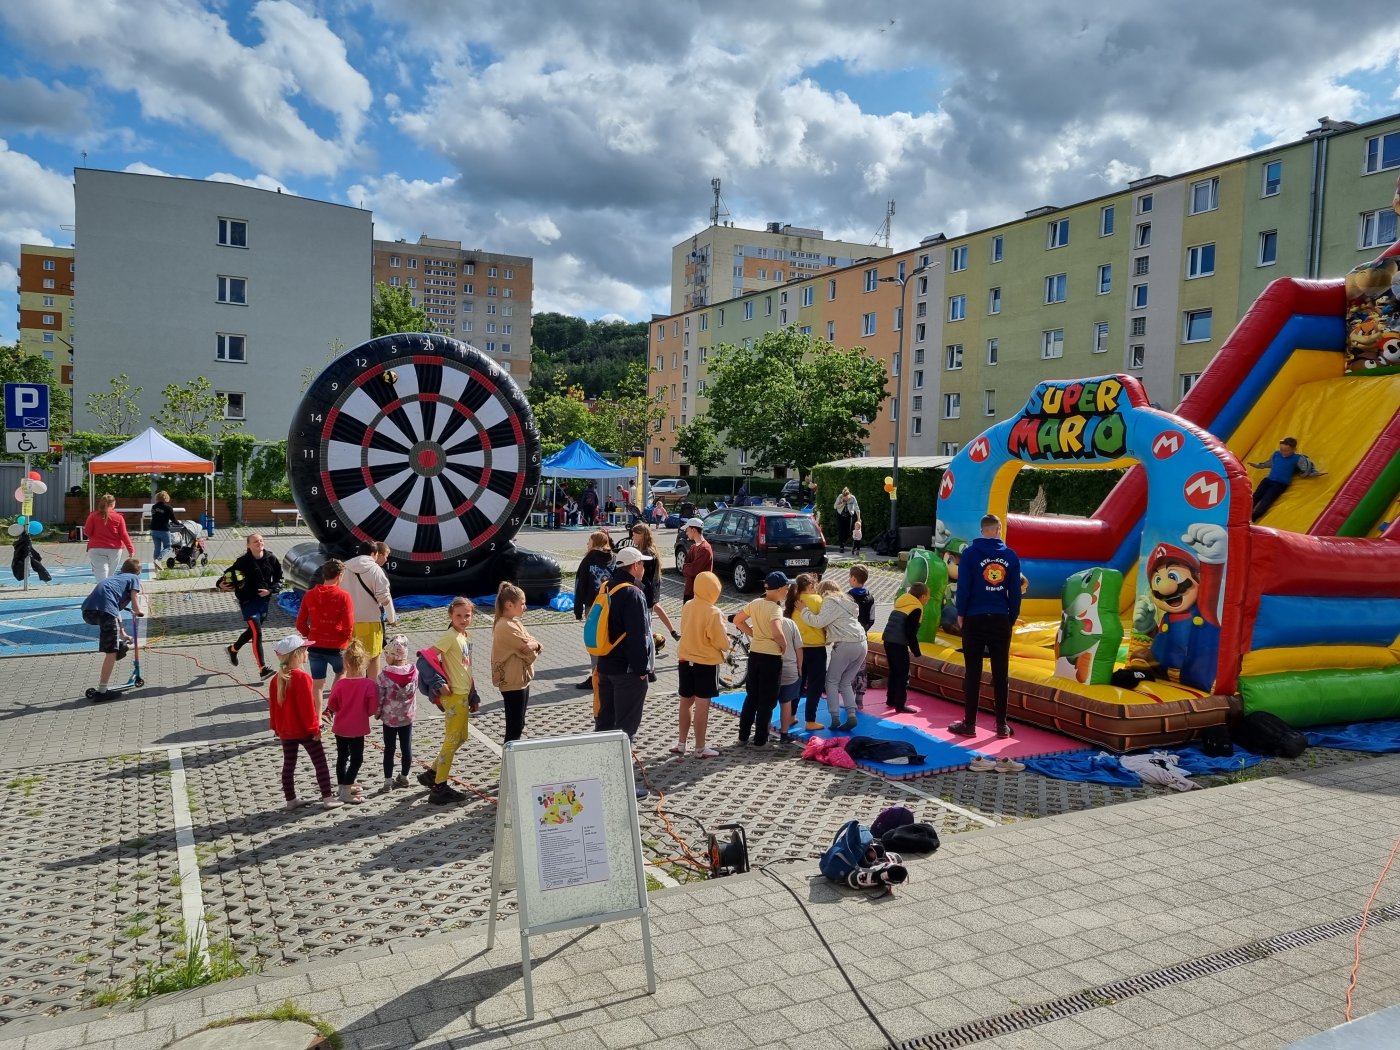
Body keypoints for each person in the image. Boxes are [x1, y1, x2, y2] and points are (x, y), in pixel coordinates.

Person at [950, 514, 1022, 738]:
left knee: (973, 672)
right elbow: (1016, 592)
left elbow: (963, 588)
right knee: (1001, 674)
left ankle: (969, 724)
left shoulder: (970, 554)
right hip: (1000, 617)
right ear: (999, 530)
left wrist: (961, 613)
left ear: (982, 531)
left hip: (975, 617)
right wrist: (1011, 616)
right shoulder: (1010, 556)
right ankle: (1001, 725)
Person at [594, 546, 656, 797]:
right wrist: (642, 670)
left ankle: (598, 778)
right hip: (627, 672)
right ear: (635, 566)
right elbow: (638, 635)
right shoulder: (633, 593)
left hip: (605, 664)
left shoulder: (607, 586)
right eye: (642, 564)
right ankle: (621, 787)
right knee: (624, 730)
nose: (644, 568)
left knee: (605, 724)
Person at [418, 597, 480, 804]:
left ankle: (432, 773)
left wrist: (473, 694)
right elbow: (424, 657)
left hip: (463, 695)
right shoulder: (450, 636)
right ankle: (439, 788)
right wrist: (437, 682)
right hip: (453, 697)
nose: (463, 619)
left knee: (462, 738)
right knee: (451, 741)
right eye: (458, 616)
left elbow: (466, 668)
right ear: (450, 616)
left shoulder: (466, 636)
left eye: (467, 615)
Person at [268, 633, 341, 810]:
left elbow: (274, 708)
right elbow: (307, 707)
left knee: (288, 765)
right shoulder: (302, 678)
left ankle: (290, 800)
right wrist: (315, 728)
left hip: (286, 731)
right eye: (306, 650)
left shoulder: (275, 680)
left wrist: (276, 728)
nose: (308, 652)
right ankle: (327, 798)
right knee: (320, 763)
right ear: (297, 654)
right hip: (305, 731)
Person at [673, 569, 730, 758]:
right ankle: (700, 747)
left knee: (685, 702)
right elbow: (720, 641)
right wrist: (728, 645)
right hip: (705, 663)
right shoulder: (714, 612)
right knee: (702, 705)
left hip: (685, 659)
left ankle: (681, 743)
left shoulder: (688, 605)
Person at [800, 579, 866, 731]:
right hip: (862, 643)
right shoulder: (847, 602)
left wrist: (804, 610)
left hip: (845, 644)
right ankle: (851, 715)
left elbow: (818, 622)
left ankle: (835, 718)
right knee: (846, 681)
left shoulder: (830, 601)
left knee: (831, 681)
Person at [734, 571, 789, 747]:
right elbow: (777, 631)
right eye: (786, 588)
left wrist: (754, 634)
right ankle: (760, 740)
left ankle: (742, 736)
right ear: (780, 589)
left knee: (752, 696)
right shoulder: (776, 609)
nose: (787, 591)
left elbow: (737, 620)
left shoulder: (756, 603)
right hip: (771, 657)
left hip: (755, 655)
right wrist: (783, 646)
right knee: (767, 700)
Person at [294, 558, 355, 718]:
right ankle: (331, 709)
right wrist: (347, 639)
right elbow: (349, 625)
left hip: (315, 644)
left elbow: (300, 622)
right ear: (339, 575)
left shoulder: (310, 595)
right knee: (341, 672)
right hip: (337, 645)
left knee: (318, 683)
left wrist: (309, 634)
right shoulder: (344, 597)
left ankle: (317, 718)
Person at [218, 532, 283, 679]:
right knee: (257, 633)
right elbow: (228, 575)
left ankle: (233, 649)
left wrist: (271, 590)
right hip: (247, 601)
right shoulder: (243, 561)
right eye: (255, 542)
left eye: (261, 540)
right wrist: (220, 584)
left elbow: (279, 578)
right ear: (248, 545)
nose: (259, 543)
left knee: (252, 631)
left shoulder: (271, 558)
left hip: (264, 601)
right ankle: (262, 669)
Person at [80, 556, 143, 702]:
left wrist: (122, 633)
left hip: (88, 612)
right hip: (105, 611)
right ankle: (102, 691)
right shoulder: (133, 578)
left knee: (113, 642)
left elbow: (115, 610)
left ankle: (117, 645)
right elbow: (134, 599)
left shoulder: (115, 579)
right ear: (138, 572)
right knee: (112, 651)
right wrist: (138, 610)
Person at [326, 639, 377, 805]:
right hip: (357, 728)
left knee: (342, 757)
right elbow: (372, 708)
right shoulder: (369, 684)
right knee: (357, 759)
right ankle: (346, 790)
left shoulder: (340, 684)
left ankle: (343, 785)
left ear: (346, 664)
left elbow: (332, 705)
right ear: (364, 664)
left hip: (340, 727)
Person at [491, 581, 542, 743]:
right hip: (512, 682)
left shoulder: (515, 622)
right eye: (522, 603)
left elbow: (533, 644)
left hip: (521, 680)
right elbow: (527, 653)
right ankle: (508, 764)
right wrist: (535, 645)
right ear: (509, 604)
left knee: (519, 724)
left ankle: (511, 763)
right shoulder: (506, 626)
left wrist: (536, 644)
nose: (525, 607)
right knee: (514, 729)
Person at [343, 541, 399, 679]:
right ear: (374, 554)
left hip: (348, 621)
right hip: (370, 621)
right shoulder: (375, 569)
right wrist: (392, 618)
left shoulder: (345, 567)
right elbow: (384, 598)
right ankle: (372, 688)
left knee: (353, 658)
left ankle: (353, 686)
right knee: (373, 657)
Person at [574, 530, 616, 689]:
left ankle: (596, 677)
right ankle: (609, 676)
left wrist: (577, 609)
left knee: (594, 641)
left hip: (593, 606)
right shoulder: (614, 558)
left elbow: (580, 586)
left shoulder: (588, 560)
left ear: (595, 543)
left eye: (589, 541)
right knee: (609, 640)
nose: (587, 544)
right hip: (611, 605)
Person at [375, 635, 417, 791]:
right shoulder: (414, 672)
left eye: (387, 655)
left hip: (390, 719)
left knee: (389, 749)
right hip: (407, 717)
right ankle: (405, 777)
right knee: (406, 747)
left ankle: (387, 782)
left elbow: (380, 697)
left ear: (392, 655)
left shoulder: (385, 675)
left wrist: (377, 712)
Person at [787, 574, 828, 731]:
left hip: (798, 648)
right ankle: (810, 720)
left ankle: (790, 716)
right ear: (811, 586)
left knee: (798, 682)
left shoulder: (793, 601)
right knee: (815, 685)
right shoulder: (817, 600)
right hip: (816, 648)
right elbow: (825, 621)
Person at [883, 583, 931, 713]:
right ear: (922, 596)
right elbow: (910, 631)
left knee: (894, 671)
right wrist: (916, 651)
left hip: (888, 639)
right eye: (928, 596)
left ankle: (891, 699)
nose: (929, 598)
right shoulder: (916, 608)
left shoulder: (903, 602)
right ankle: (900, 704)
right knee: (903, 673)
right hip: (898, 643)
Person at [630, 523, 679, 642]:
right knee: (655, 608)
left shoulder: (647, 554)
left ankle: (650, 648)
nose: (632, 537)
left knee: (645, 627)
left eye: (634, 535)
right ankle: (673, 631)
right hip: (651, 591)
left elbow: (643, 577)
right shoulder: (649, 549)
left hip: (647, 593)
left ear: (641, 535)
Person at [1249, 437, 1308, 521]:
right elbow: (1270, 463)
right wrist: (1258, 466)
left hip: (1280, 484)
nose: (1283, 452)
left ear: (1294, 449)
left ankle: (1254, 516)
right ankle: (1245, 511)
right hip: (1268, 480)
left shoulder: (1297, 458)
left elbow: (1305, 468)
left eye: (1286, 450)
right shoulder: (1276, 454)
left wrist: (1314, 473)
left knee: (1267, 500)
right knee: (1256, 495)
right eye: (1281, 449)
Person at [84, 493, 135, 581]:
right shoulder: (118, 517)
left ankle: (102, 590)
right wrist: (131, 549)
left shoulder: (92, 516)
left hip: (96, 548)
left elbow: (87, 532)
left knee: (101, 573)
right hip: (114, 549)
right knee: (110, 574)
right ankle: (109, 590)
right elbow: (124, 534)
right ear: (113, 504)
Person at [775, 591, 804, 742]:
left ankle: (764, 733)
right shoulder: (790, 623)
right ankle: (784, 734)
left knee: (767, 703)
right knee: (786, 702)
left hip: (771, 668)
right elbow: (799, 648)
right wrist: (800, 667)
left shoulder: (762, 623)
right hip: (790, 669)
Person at [847, 564, 877, 709]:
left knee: (848, 668)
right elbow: (872, 619)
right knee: (861, 668)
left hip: (848, 638)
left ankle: (850, 699)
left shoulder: (847, 597)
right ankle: (859, 699)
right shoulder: (870, 597)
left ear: (853, 579)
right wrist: (863, 630)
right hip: (862, 638)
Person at [680, 517, 712, 603]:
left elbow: (693, 570)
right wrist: (687, 567)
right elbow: (685, 567)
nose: (686, 533)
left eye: (687, 530)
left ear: (693, 530)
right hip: (690, 590)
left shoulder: (705, 548)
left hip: (699, 593)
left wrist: (687, 567)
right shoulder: (693, 547)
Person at [150, 490, 177, 568]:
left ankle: (156, 566)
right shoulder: (168, 508)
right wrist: (179, 523)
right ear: (166, 498)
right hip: (164, 530)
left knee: (157, 548)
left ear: (157, 498)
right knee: (168, 546)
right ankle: (158, 560)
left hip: (153, 529)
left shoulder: (154, 507)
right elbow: (173, 520)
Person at [833, 487, 860, 554]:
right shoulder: (840, 496)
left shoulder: (853, 498)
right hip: (840, 515)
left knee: (847, 532)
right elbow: (835, 506)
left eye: (847, 498)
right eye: (844, 498)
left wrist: (859, 518)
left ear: (849, 495)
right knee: (841, 531)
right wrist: (842, 503)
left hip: (848, 515)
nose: (846, 499)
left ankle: (844, 542)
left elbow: (857, 508)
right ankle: (841, 546)